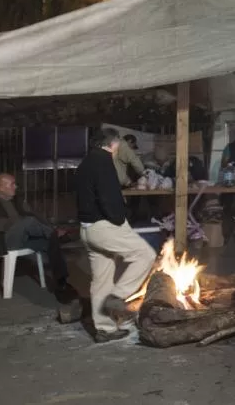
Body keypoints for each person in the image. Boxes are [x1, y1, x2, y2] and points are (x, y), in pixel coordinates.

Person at [76, 127, 157, 343]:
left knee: (101, 280)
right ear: (114, 143)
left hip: (87, 229)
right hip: (104, 227)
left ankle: (105, 329)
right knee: (145, 255)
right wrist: (120, 218)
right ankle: (118, 296)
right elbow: (109, 197)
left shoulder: (86, 163)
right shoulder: (104, 162)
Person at [0, 173, 72, 298]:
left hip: (23, 237)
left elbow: (35, 216)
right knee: (28, 222)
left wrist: (49, 226)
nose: (16, 186)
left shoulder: (17, 201)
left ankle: (61, 281)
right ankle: (54, 234)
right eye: (12, 184)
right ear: (1, 187)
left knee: (50, 242)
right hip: (1, 241)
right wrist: (19, 222)